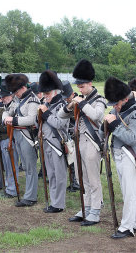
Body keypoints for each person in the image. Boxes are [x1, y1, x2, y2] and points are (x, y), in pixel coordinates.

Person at [59, 59, 106, 226]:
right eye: (78, 87)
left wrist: (82, 102)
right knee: (81, 177)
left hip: (92, 142)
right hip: (79, 141)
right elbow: (60, 115)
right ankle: (86, 207)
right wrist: (72, 105)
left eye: (82, 86)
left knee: (93, 178)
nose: (80, 89)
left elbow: (96, 115)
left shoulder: (99, 99)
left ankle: (95, 210)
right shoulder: (79, 99)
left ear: (90, 83)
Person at [103, 77, 136, 239]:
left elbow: (131, 138)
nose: (114, 106)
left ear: (125, 99)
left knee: (129, 192)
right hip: (119, 153)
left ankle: (127, 227)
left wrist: (114, 124)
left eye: (116, 102)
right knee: (133, 191)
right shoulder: (119, 110)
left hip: (130, 154)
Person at [3, 74, 40, 207]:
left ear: (23, 87)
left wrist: (12, 120)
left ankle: (31, 197)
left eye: (17, 91)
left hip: (27, 136)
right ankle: (29, 194)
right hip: (17, 135)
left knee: (30, 167)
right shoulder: (18, 100)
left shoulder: (32, 100)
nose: (16, 94)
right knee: (24, 166)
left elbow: (31, 119)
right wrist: (6, 117)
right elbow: (7, 111)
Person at [38, 70, 69, 213]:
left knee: (60, 175)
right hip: (46, 142)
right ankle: (53, 201)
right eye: (44, 94)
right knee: (51, 174)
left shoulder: (63, 106)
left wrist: (45, 113)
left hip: (57, 143)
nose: (45, 97)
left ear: (55, 92)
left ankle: (59, 204)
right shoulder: (47, 104)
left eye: (48, 94)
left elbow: (59, 124)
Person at [0, 81, 20, 198]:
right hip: (3, 138)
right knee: (7, 165)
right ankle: (9, 187)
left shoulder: (15, 106)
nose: (2, 99)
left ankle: (13, 189)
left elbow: (8, 124)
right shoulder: (7, 106)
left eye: (4, 97)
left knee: (11, 165)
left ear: (11, 95)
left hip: (11, 138)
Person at [61, 80, 80, 192]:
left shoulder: (77, 102)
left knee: (75, 161)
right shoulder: (65, 102)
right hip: (67, 134)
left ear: (72, 94)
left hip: (75, 134)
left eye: (67, 97)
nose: (66, 99)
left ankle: (76, 183)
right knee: (70, 160)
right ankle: (73, 182)